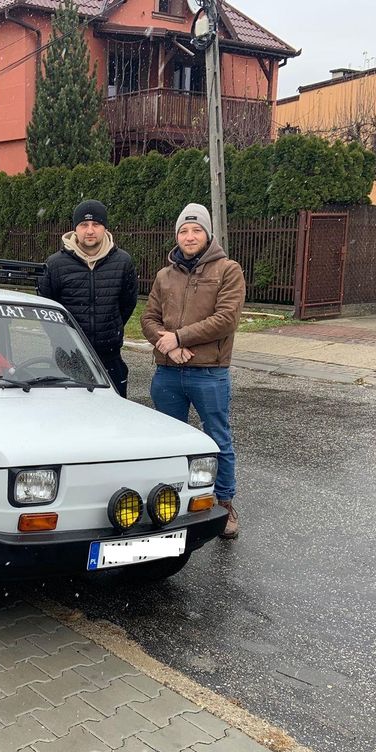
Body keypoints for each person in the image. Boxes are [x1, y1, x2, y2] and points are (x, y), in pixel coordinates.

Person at [141, 203, 245, 539]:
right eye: (184, 231)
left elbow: (225, 320)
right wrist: (168, 343)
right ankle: (172, 502)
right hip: (168, 373)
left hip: (209, 374)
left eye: (196, 230)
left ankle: (225, 504)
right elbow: (147, 319)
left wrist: (180, 337)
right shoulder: (164, 275)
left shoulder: (228, 271)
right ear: (177, 236)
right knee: (169, 443)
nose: (189, 236)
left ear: (207, 233)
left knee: (217, 440)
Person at [38, 200, 139, 397]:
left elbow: (127, 304)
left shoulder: (123, 262)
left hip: (109, 357)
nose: (90, 230)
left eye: (96, 224)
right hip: (68, 357)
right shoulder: (55, 264)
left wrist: (111, 330)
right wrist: (64, 341)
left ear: (105, 228)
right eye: (84, 225)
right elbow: (46, 310)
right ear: (75, 228)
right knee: (70, 417)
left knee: (114, 417)